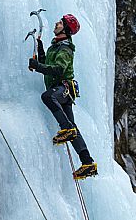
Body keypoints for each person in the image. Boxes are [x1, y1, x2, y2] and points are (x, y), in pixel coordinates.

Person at [28, 14, 97, 180]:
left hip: (63, 89)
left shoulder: (65, 49)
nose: (56, 23)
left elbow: (58, 69)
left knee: (47, 97)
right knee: (72, 126)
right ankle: (88, 163)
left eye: (60, 23)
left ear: (65, 29)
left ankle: (67, 129)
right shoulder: (56, 47)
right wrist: (40, 49)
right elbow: (48, 64)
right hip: (61, 91)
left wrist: (37, 66)